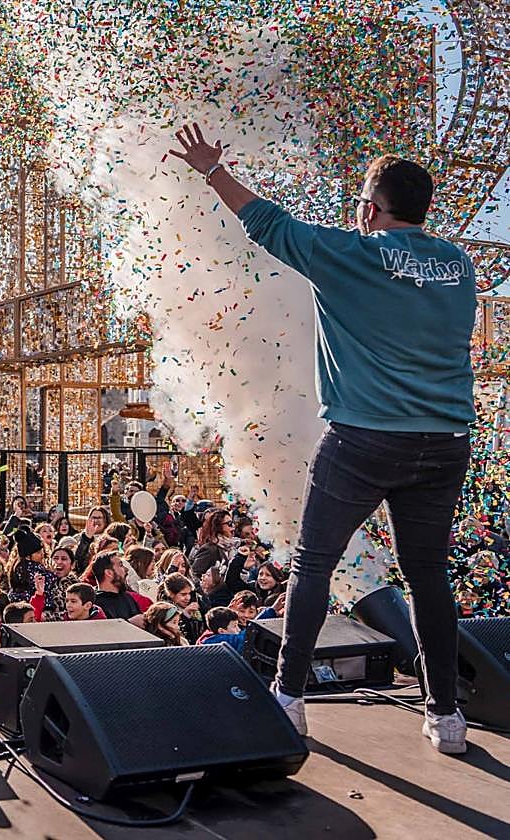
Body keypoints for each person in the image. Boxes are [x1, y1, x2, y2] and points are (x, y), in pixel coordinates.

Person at [171, 124, 475, 752]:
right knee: (428, 577)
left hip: (364, 440)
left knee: (312, 565)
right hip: (445, 441)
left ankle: (289, 698)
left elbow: (269, 224)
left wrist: (212, 169)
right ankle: (446, 716)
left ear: (369, 208)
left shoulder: (352, 253)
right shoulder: (460, 265)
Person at [81, 551, 142, 624]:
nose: (126, 569)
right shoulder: (94, 603)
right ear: (109, 573)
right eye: (121, 565)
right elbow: (100, 630)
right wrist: (130, 623)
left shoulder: (127, 597)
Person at [191, 508, 233, 577]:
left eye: (232, 523)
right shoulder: (209, 549)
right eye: (229, 524)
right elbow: (194, 576)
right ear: (218, 526)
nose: (233, 527)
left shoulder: (229, 547)